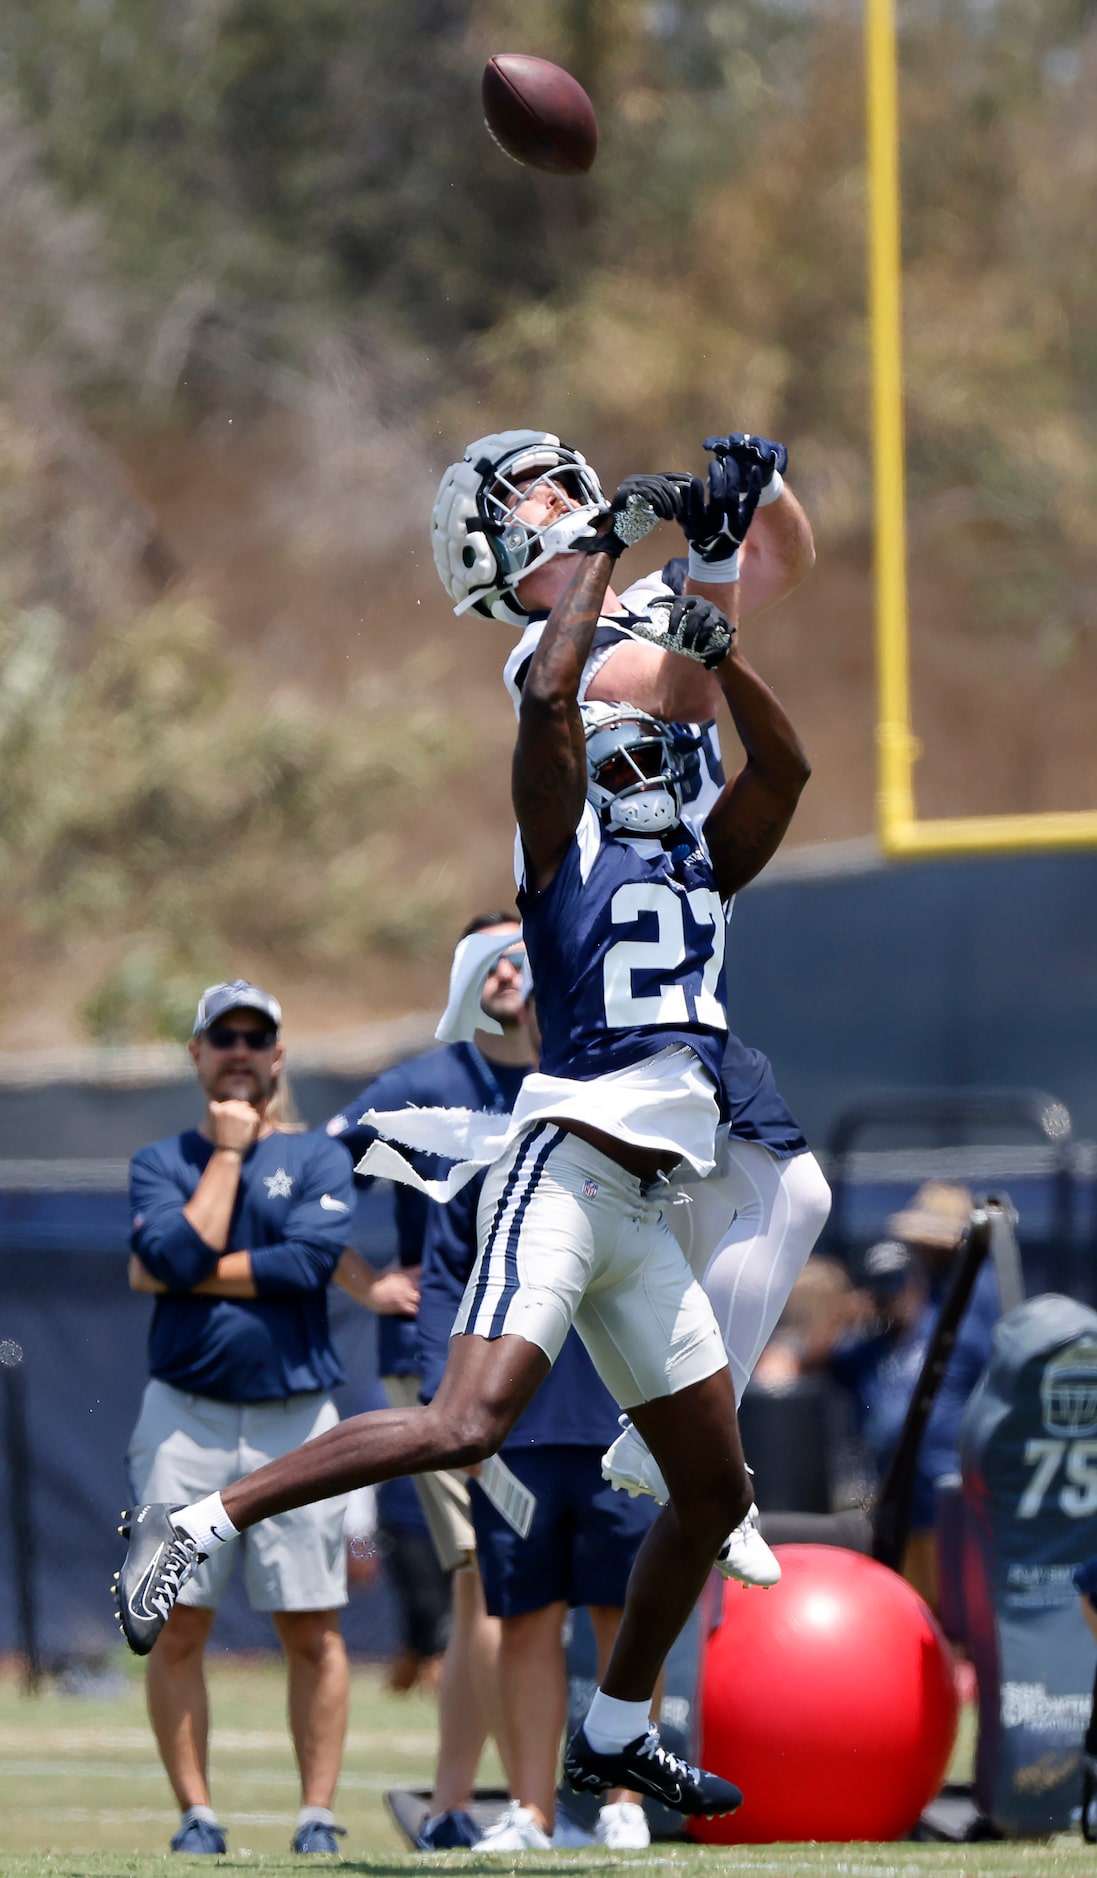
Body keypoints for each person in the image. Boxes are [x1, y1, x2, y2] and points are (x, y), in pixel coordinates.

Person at [114, 464, 811, 1822]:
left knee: (714, 1491)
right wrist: (615, 540)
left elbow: (781, 764)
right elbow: (557, 700)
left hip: (650, 1198)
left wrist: (725, 650)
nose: (639, 765)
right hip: (568, 1168)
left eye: (650, 756)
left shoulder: (704, 867)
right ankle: (200, 1522)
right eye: (621, 763)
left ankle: (615, 1727)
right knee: (462, 1420)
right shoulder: (558, 875)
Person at [432, 428, 831, 1559]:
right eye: (533, 491)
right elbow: (682, 694)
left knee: (782, 1204)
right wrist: (703, 560)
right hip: (614, 1001)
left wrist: (748, 494)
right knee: (763, 1203)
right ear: (497, 545)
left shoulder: (651, 590)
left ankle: (691, 1458)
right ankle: (686, 1460)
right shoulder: (540, 658)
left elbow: (785, 554)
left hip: (681, 966)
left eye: (558, 477)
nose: (562, 491)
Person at [414, 997, 657, 1851]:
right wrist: (446, 1406)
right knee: (522, 1619)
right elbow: (442, 1280)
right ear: (523, 1031)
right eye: (541, 1012)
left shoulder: (648, 1129)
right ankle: (531, 1811)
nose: (552, 1024)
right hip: (512, 1432)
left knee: (620, 1617)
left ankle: (624, 1806)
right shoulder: (488, 1144)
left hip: (621, 1418)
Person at [121, 980, 356, 1857]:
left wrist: (183, 1269)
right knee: (175, 1619)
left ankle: (316, 1817)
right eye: (224, 1036)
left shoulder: (321, 1158)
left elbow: (306, 1265)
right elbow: (171, 1251)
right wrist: (224, 1158)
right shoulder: (162, 1159)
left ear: (279, 1055)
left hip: (299, 1420)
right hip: (184, 1419)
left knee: (312, 1623)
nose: (240, 1051)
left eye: (257, 1037)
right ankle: (197, 1815)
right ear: (196, 1051)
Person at [325, 916, 535, 1850]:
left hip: (566, 1369)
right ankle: (486, 1806)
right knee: (483, 1582)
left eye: (523, 952)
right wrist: (367, 1283)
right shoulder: (425, 1086)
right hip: (453, 1373)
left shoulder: (579, 1073)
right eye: (486, 958)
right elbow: (304, 1181)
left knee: (538, 1587)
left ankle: (501, 1802)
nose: (507, 971)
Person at [801, 1180, 997, 1607]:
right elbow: (814, 1359)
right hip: (894, 1498)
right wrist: (852, 1309)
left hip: (951, 1492)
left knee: (957, 1612)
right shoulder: (879, 1338)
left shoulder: (977, 1296)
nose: (924, 1250)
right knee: (908, 1608)